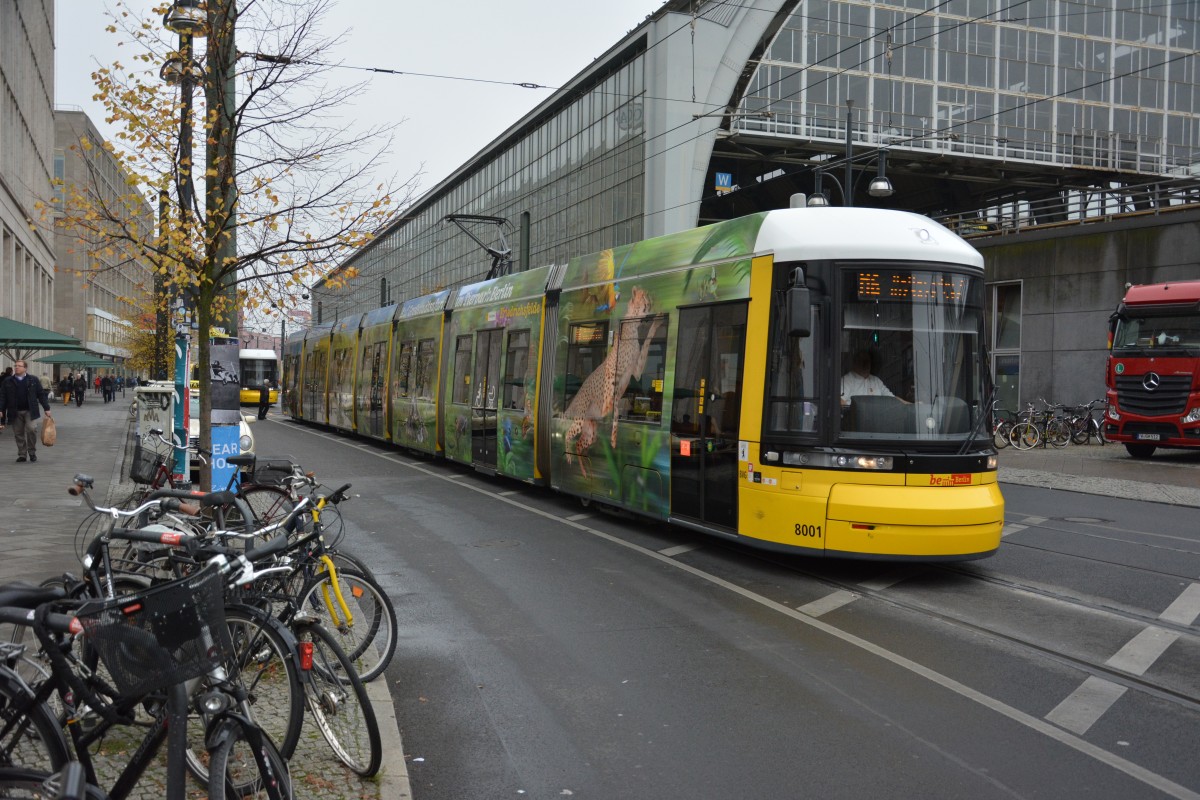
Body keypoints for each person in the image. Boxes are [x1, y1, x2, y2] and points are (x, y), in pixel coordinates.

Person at [0, 360, 53, 463]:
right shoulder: (8, 381)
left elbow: (41, 394)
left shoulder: (33, 379)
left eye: (19, 366)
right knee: (18, 433)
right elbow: (2, 397)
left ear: (25, 368)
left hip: (30, 410)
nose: (16, 367)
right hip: (14, 411)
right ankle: (22, 454)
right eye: (15, 366)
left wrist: (47, 408)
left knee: (31, 429)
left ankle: (32, 452)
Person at [841, 349, 907, 407]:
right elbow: (840, 401)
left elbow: (892, 399)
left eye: (867, 361)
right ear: (855, 362)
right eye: (862, 361)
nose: (865, 364)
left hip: (876, 419)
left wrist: (911, 405)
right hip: (855, 420)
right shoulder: (847, 379)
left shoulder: (876, 381)